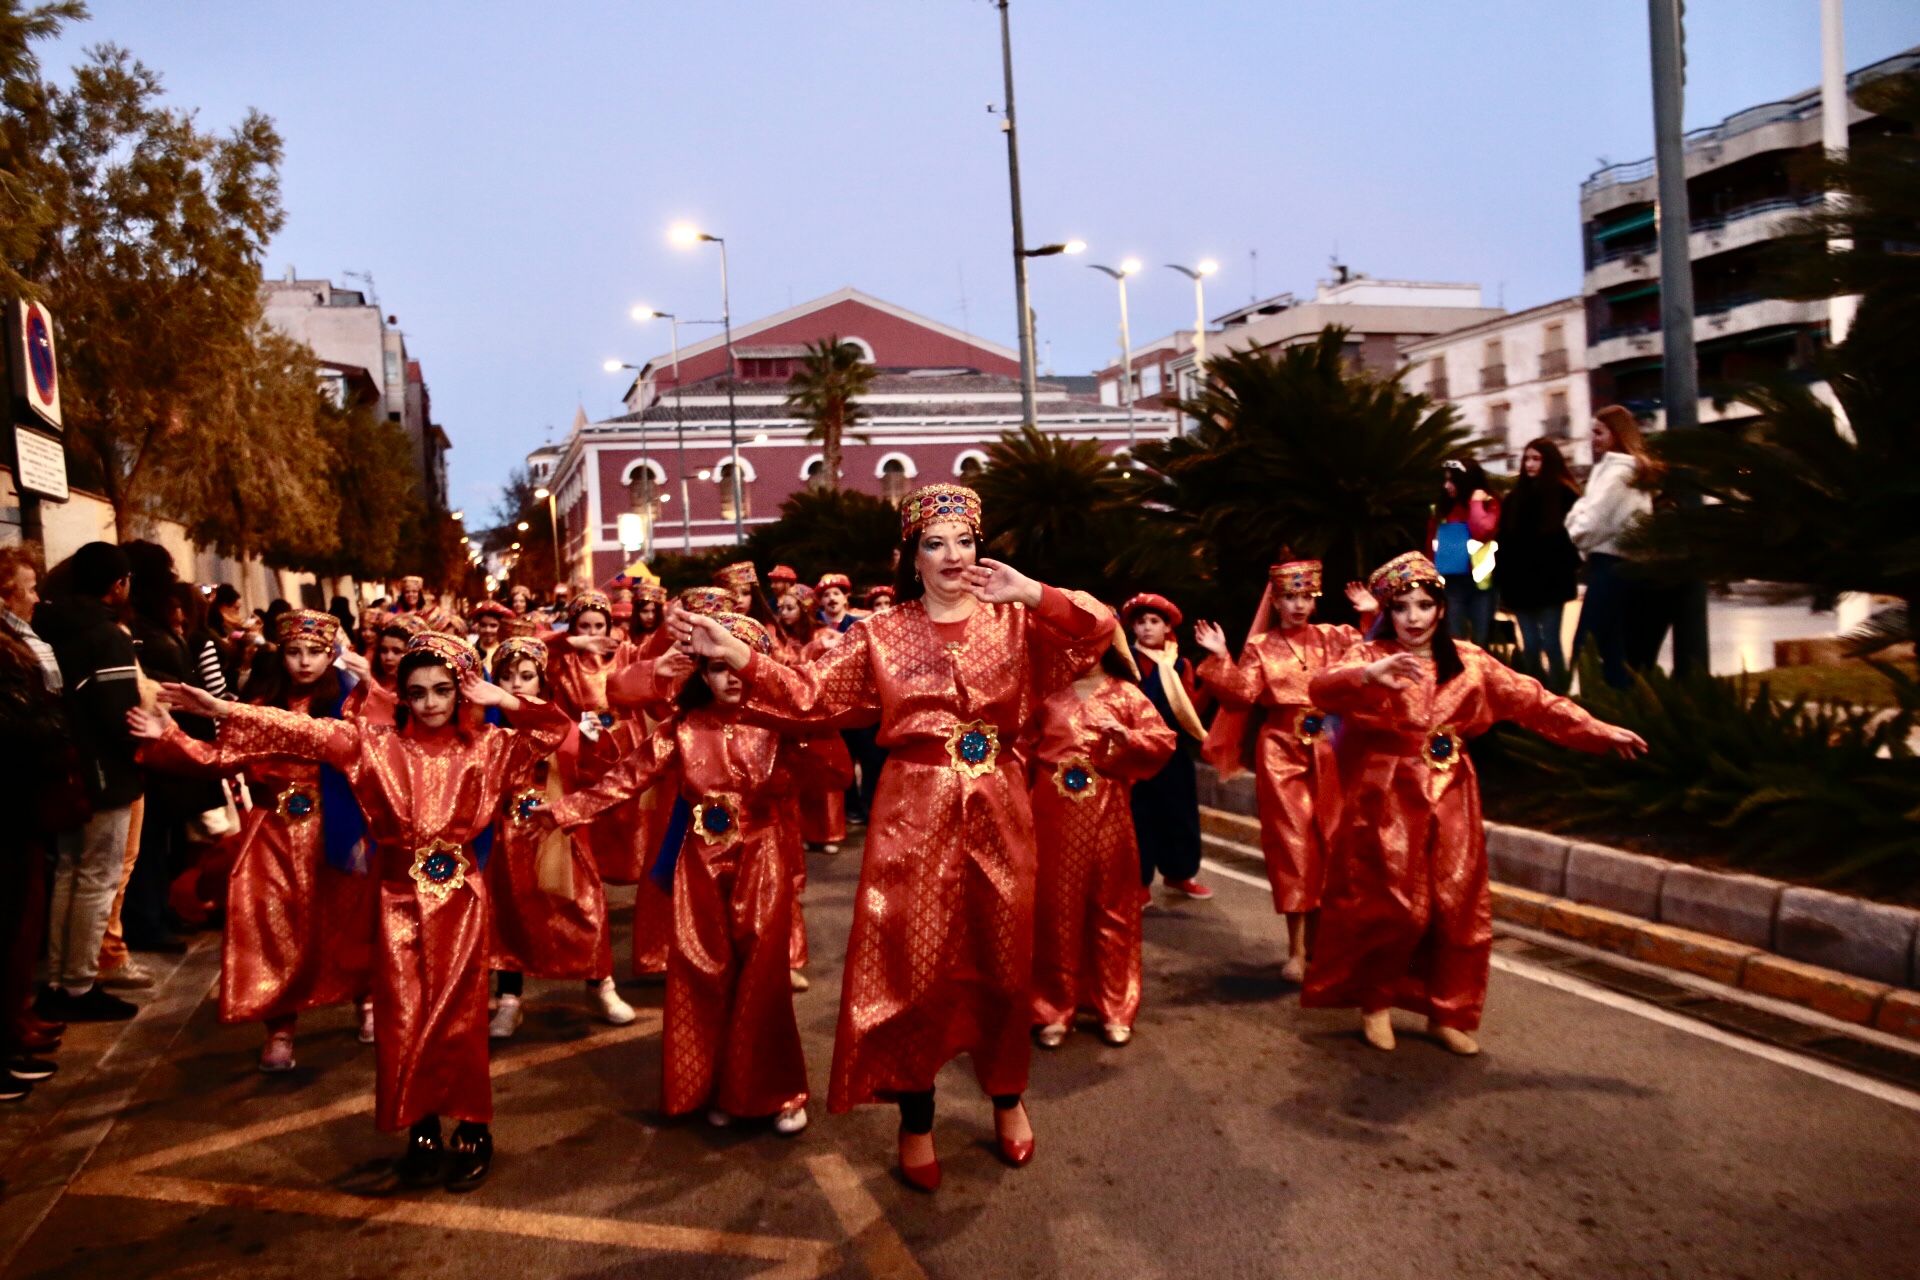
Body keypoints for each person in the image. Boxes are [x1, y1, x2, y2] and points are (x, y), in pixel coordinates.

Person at [673, 483, 1112, 1192]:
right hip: (913, 811)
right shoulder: (880, 633)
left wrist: (1032, 592)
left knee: (1003, 962)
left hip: (1001, 804)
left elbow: (1095, 630)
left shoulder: (1013, 623)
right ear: (910, 554)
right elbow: (810, 695)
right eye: (933, 543)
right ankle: (917, 1116)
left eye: (963, 541)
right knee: (913, 967)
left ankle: (1008, 1096)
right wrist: (744, 656)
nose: (951, 556)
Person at [136, 633, 572, 1191]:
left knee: (459, 1018)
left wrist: (506, 699)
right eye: (418, 693)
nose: (433, 703)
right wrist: (222, 708)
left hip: (460, 898)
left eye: (444, 690)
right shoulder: (373, 744)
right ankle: (420, 1129)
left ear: (461, 692)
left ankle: (473, 1125)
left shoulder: (489, 745)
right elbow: (300, 730)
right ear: (402, 698)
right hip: (396, 902)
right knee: (402, 1019)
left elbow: (551, 730)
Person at [1303, 552, 1646, 1055]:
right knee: (1396, 907)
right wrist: (1370, 675)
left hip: (1452, 791)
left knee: (1457, 903)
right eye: (1402, 608)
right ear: (1389, 612)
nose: (1414, 617)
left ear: (1441, 609)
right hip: (1386, 796)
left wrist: (1597, 730)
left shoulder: (1470, 662)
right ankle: (1375, 1001)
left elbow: (1535, 702)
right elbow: (1319, 688)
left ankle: (1449, 1010)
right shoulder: (1369, 656)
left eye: (1424, 605)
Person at [538, 614, 849, 1136]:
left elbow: (835, 774)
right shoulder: (682, 728)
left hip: (761, 857)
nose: (729, 678)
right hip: (700, 862)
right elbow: (627, 776)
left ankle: (776, 1092)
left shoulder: (778, 726)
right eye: (715, 668)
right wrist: (568, 811)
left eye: (737, 666)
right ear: (701, 673)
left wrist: (809, 726)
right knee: (704, 971)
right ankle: (713, 1086)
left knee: (763, 975)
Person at [136, 610, 376, 1070]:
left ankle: (365, 1002)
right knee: (271, 929)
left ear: (333, 654)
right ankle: (280, 1027)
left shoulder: (351, 704)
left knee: (347, 922)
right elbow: (220, 758)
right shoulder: (264, 702)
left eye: (315, 652)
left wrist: (371, 688)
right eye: (293, 652)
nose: (304, 662)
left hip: (339, 831)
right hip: (273, 834)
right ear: (280, 654)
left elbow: (361, 752)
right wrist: (165, 736)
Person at [1196, 559, 1377, 981]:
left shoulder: (1337, 638)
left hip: (1332, 749)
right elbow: (1242, 696)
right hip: (1280, 750)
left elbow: (1378, 655)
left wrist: (1371, 613)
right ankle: (1296, 950)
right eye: (1289, 598)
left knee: (1335, 844)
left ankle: (1326, 945)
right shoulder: (1263, 648)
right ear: (1275, 602)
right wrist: (1222, 657)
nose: (1297, 605)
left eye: (1305, 597)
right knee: (1293, 847)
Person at [1028, 622, 1176, 1049]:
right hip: (1050, 813)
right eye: (1072, 640)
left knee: (1112, 908)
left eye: (1090, 640)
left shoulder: (1127, 694)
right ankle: (1055, 1006)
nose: (1081, 650)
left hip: (1109, 810)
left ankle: (1115, 1005)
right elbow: (1020, 749)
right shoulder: (1045, 695)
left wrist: (1127, 738)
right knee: (1055, 909)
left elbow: (1162, 740)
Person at [483, 637, 618, 1040]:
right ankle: (510, 999)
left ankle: (599, 983)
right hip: (506, 840)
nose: (517, 685)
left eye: (527, 676)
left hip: (562, 833)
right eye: (506, 677)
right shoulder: (488, 733)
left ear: (543, 681)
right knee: (509, 918)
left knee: (584, 910)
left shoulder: (565, 726)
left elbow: (599, 773)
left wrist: (595, 745)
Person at [35, 542, 143, 1023]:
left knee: (68, 874)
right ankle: (80, 983)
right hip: (105, 774)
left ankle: (59, 977)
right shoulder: (106, 636)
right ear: (117, 584)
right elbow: (121, 714)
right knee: (98, 879)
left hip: (66, 770)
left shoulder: (51, 625)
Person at [1119, 593, 1211, 902]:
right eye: (1140, 622)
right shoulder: (1124, 659)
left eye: (1154, 622)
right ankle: (1140, 882)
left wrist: (1212, 671)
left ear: (1167, 626)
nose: (1146, 628)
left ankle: (1179, 874)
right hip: (1136, 750)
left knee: (1180, 814)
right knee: (1139, 817)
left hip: (1172, 752)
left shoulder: (1180, 664)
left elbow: (1191, 710)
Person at [1567, 406, 1659, 689]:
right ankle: (1623, 708)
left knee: (1589, 647)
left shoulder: (1616, 474)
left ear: (1616, 434)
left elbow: (1590, 522)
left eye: (1598, 431)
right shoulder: (1623, 471)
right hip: (1622, 566)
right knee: (1613, 648)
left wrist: (1575, 519)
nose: (1593, 438)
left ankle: (1603, 713)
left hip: (1611, 565)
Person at [1495, 438, 1583, 689]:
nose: (1530, 464)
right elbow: (1504, 542)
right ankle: (1539, 698)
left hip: (1550, 583)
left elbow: (1573, 540)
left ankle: (1560, 697)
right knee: (1530, 645)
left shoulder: (1564, 495)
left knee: (1552, 643)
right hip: (1520, 585)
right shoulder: (1514, 498)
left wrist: (1568, 568)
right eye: (1527, 459)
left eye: (1537, 459)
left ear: (1549, 461)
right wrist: (1502, 580)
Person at [1428, 460, 1500, 644]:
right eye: (1445, 481)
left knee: (1480, 642)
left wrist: (1476, 502)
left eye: (1452, 481)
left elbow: (1481, 531)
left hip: (1481, 585)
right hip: (1452, 583)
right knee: (1455, 641)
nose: (1447, 486)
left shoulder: (1489, 504)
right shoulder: (1442, 509)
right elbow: (1430, 546)